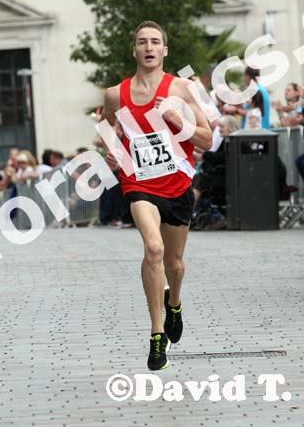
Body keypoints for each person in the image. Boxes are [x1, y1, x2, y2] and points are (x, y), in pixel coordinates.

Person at [101, 20, 211, 371]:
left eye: (155, 42)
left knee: (174, 265)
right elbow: (109, 132)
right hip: (139, 183)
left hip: (177, 185)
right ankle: (156, 333)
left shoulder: (182, 88)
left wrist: (177, 121)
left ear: (165, 50)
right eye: (141, 42)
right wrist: (115, 155)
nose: (148, 48)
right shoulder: (114, 95)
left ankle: (174, 302)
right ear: (133, 50)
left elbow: (207, 140)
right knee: (153, 248)